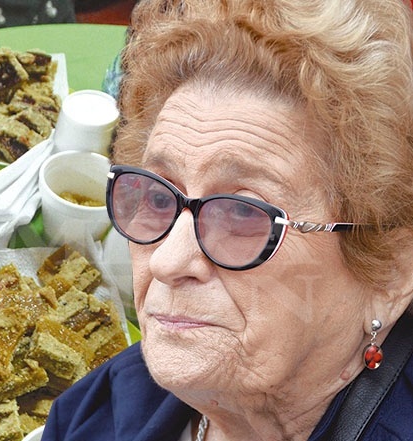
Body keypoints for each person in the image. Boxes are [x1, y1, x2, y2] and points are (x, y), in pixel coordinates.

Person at [42, 0, 413, 440]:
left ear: (391, 269)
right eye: (161, 197)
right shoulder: (99, 413)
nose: (166, 262)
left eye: (242, 211)